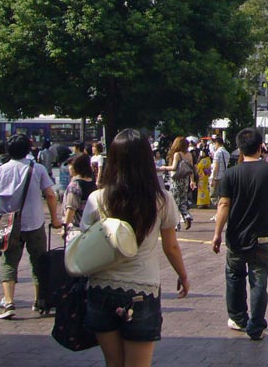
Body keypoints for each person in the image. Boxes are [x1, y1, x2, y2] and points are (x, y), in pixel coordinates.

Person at [80, 129, 189, 364]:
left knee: (113, 363)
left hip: (101, 286)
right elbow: (170, 247)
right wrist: (182, 275)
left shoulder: (98, 198)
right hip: (142, 288)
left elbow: (85, 239)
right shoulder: (161, 199)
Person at [212, 128, 268, 341]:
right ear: (260, 146)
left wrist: (217, 233)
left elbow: (224, 204)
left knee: (235, 276)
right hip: (262, 237)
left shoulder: (231, 174)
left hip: (236, 237)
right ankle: (256, 326)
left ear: (240, 148)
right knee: (259, 280)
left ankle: (238, 318)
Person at [0, 134, 63, 318]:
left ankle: (8, 303)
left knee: (9, 262)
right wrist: (55, 219)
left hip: (7, 225)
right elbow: (51, 194)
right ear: (28, 149)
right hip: (35, 223)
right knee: (38, 261)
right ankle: (39, 302)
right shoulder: (37, 169)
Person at [164, 136, 195, 230]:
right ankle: (187, 215)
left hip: (176, 180)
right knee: (182, 201)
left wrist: (163, 168)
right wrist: (192, 181)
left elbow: (173, 168)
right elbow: (191, 169)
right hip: (185, 180)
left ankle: (176, 224)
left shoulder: (177, 154)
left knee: (174, 202)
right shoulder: (189, 155)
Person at [62, 153, 97, 228]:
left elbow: (71, 210)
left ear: (77, 167)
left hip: (76, 228)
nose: (69, 167)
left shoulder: (74, 186)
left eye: (71, 165)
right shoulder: (92, 182)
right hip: (90, 227)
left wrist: (64, 228)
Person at [209, 137, 230, 216]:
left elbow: (216, 166)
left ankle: (219, 213)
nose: (214, 145)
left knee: (213, 195)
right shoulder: (227, 153)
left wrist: (213, 178)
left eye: (214, 143)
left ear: (217, 143)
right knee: (221, 196)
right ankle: (219, 213)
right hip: (224, 176)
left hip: (217, 177)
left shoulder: (218, 153)